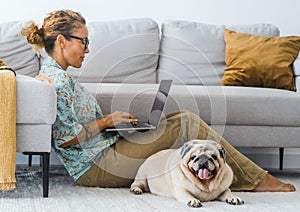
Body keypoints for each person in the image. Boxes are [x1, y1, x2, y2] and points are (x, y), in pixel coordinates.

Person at [20, 9, 295, 192]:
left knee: (177, 119)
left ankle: (241, 177)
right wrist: (106, 121)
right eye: (83, 41)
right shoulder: (54, 82)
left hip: (106, 152)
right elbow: (64, 139)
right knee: (185, 122)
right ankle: (258, 180)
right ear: (62, 41)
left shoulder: (59, 77)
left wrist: (115, 125)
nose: (88, 49)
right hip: (96, 168)